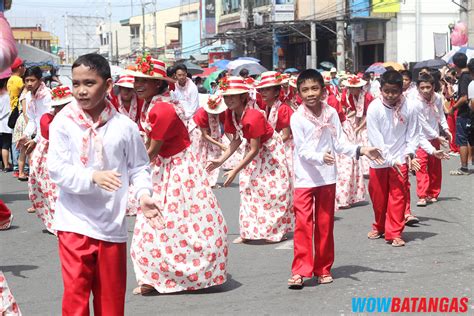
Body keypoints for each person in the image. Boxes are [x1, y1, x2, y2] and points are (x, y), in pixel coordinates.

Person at [47, 53, 162, 315]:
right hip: (73, 222)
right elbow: (58, 169)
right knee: (75, 299)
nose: (81, 91)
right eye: (76, 83)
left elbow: (139, 166)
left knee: (110, 301)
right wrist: (92, 176)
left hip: (111, 223)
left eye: (89, 83)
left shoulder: (124, 126)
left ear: (108, 85)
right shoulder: (63, 123)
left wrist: (144, 194)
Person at [127, 53, 228, 295]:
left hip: (177, 169)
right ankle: (155, 276)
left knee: (174, 224)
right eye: (137, 80)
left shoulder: (162, 109)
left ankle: (184, 274)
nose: (138, 85)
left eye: (145, 80)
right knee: (157, 225)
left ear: (159, 84)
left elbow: (151, 151)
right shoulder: (154, 103)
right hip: (165, 166)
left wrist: (126, 170)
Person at [287, 69, 383, 288]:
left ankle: (323, 268)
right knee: (303, 224)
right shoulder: (297, 117)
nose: (310, 93)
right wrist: (320, 156)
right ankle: (300, 270)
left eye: (314, 88)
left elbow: (340, 143)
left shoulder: (331, 113)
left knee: (325, 224)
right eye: (305, 90)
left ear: (323, 90)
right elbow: (302, 151)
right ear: (299, 93)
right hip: (305, 179)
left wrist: (362, 149)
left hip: (327, 178)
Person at [207, 76, 293, 244]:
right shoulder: (231, 114)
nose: (229, 100)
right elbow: (236, 140)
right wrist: (220, 160)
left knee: (272, 191)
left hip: (270, 153)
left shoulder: (253, 115)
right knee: (247, 188)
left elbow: (255, 149)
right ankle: (248, 231)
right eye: (226, 96)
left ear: (243, 97)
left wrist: (235, 170)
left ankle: (275, 231)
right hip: (255, 152)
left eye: (233, 96)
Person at [366, 70, 420, 247]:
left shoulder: (410, 107)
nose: (390, 95)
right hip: (380, 160)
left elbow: (413, 134)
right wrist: (389, 159)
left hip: (400, 160)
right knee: (379, 198)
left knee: (398, 197)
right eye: (386, 91)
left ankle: (395, 232)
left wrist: (409, 153)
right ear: (380, 89)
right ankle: (380, 226)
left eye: (394, 91)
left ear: (402, 89)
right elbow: (375, 139)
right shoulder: (374, 107)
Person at [30, 86, 73, 235]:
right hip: (49, 156)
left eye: (64, 106)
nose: (61, 109)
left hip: (69, 156)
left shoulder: (78, 118)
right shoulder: (47, 119)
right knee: (52, 190)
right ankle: (58, 223)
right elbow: (49, 136)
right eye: (58, 106)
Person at [414, 73, 451, 207]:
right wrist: (437, 135)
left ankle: (433, 192)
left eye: (428, 87)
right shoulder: (416, 102)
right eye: (422, 87)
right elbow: (422, 123)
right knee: (421, 166)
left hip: (435, 137)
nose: (425, 90)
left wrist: (446, 129)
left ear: (433, 86)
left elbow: (441, 115)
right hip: (420, 137)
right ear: (418, 88)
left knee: (435, 166)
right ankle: (422, 195)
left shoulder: (438, 98)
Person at [256, 71, 294, 178]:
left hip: (286, 147)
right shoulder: (266, 107)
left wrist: (266, 144)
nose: (263, 92)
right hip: (274, 145)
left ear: (277, 92)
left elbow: (286, 136)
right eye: (262, 89)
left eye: (268, 89)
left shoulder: (282, 109)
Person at [341, 75, 374, 177]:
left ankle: (369, 168)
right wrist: (346, 116)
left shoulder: (367, 97)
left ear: (358, 88)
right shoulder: (351, 96)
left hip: (369, 119)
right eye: (349, 88)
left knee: (365, 139)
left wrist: (359, 127)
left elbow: (369, 114)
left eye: (353, 88)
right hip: (359, 118)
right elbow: (355, 110)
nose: (350, 90)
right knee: (357, 140)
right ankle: (362, 168)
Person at [193, 94, 227, 188]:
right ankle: (200, 179)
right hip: (200, 135)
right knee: (201, 157)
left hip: (214, 134)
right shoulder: (201, 113)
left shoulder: (221, 112)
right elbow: (204, 134)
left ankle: (211, 181)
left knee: (215, 156)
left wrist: (232, 140)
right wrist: (220, 145)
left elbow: (226, 126)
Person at [17, 66, 52, 156]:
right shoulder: (28, 96)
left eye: (32, 80)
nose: (29, 83)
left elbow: (47, 122)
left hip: (50, 136)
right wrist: (25, 135)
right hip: (39, 136)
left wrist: (35, 140)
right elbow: (32, 119)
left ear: (40, 80)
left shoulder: (47, 95)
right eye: (27, 80)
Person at [449, 53, 472, 175]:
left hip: (464, 113)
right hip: (471, 112)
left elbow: (464, 97)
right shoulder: (470, 75)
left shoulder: (464, 77)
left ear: (455, 64)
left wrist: (453, 108)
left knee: (462, 140)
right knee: (470, 139)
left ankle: (463, 167)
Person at [7, 57, 24, 177]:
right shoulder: (18, 80)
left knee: (14, 139)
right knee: (20, 139)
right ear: (19, 67)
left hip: (12, 110)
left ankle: (16, 166)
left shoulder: (10, 80)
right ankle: (20, 166)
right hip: (18, 111)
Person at [0, 73, 12, 171]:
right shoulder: (7, 95)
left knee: (1, 145)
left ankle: (4, 164)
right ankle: (6, 166)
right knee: (6, 145)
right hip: (5, 123)